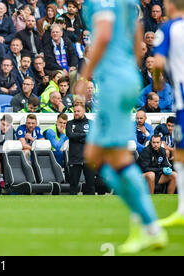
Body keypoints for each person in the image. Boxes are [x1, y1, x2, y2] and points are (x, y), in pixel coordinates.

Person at [74, 0, 167, 253]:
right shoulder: (128, 2)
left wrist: (85, 76)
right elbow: (139, 40)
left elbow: (103, 35)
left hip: (114, 82)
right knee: (96, 156)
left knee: (111, 159)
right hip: (127, 77)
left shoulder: (97, 3)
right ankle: (147, 225)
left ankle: (148, 227)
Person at [152, 0, 184, 227]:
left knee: (181, 155)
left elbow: (158, 63)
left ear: (170, 6)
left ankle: (182, 209)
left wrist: (157, 82)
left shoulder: (168, 28)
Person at [66, 104, 95, 195]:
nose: (76, 113)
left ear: (84, 111)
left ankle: (92, 207)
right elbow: (70, 135)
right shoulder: (70, 123)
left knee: (90, 185)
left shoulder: (91, 123)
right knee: (73, 185)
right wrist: (85, 135)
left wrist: (77, 136)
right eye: (74, 111)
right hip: (75, 158)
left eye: (78, 111)